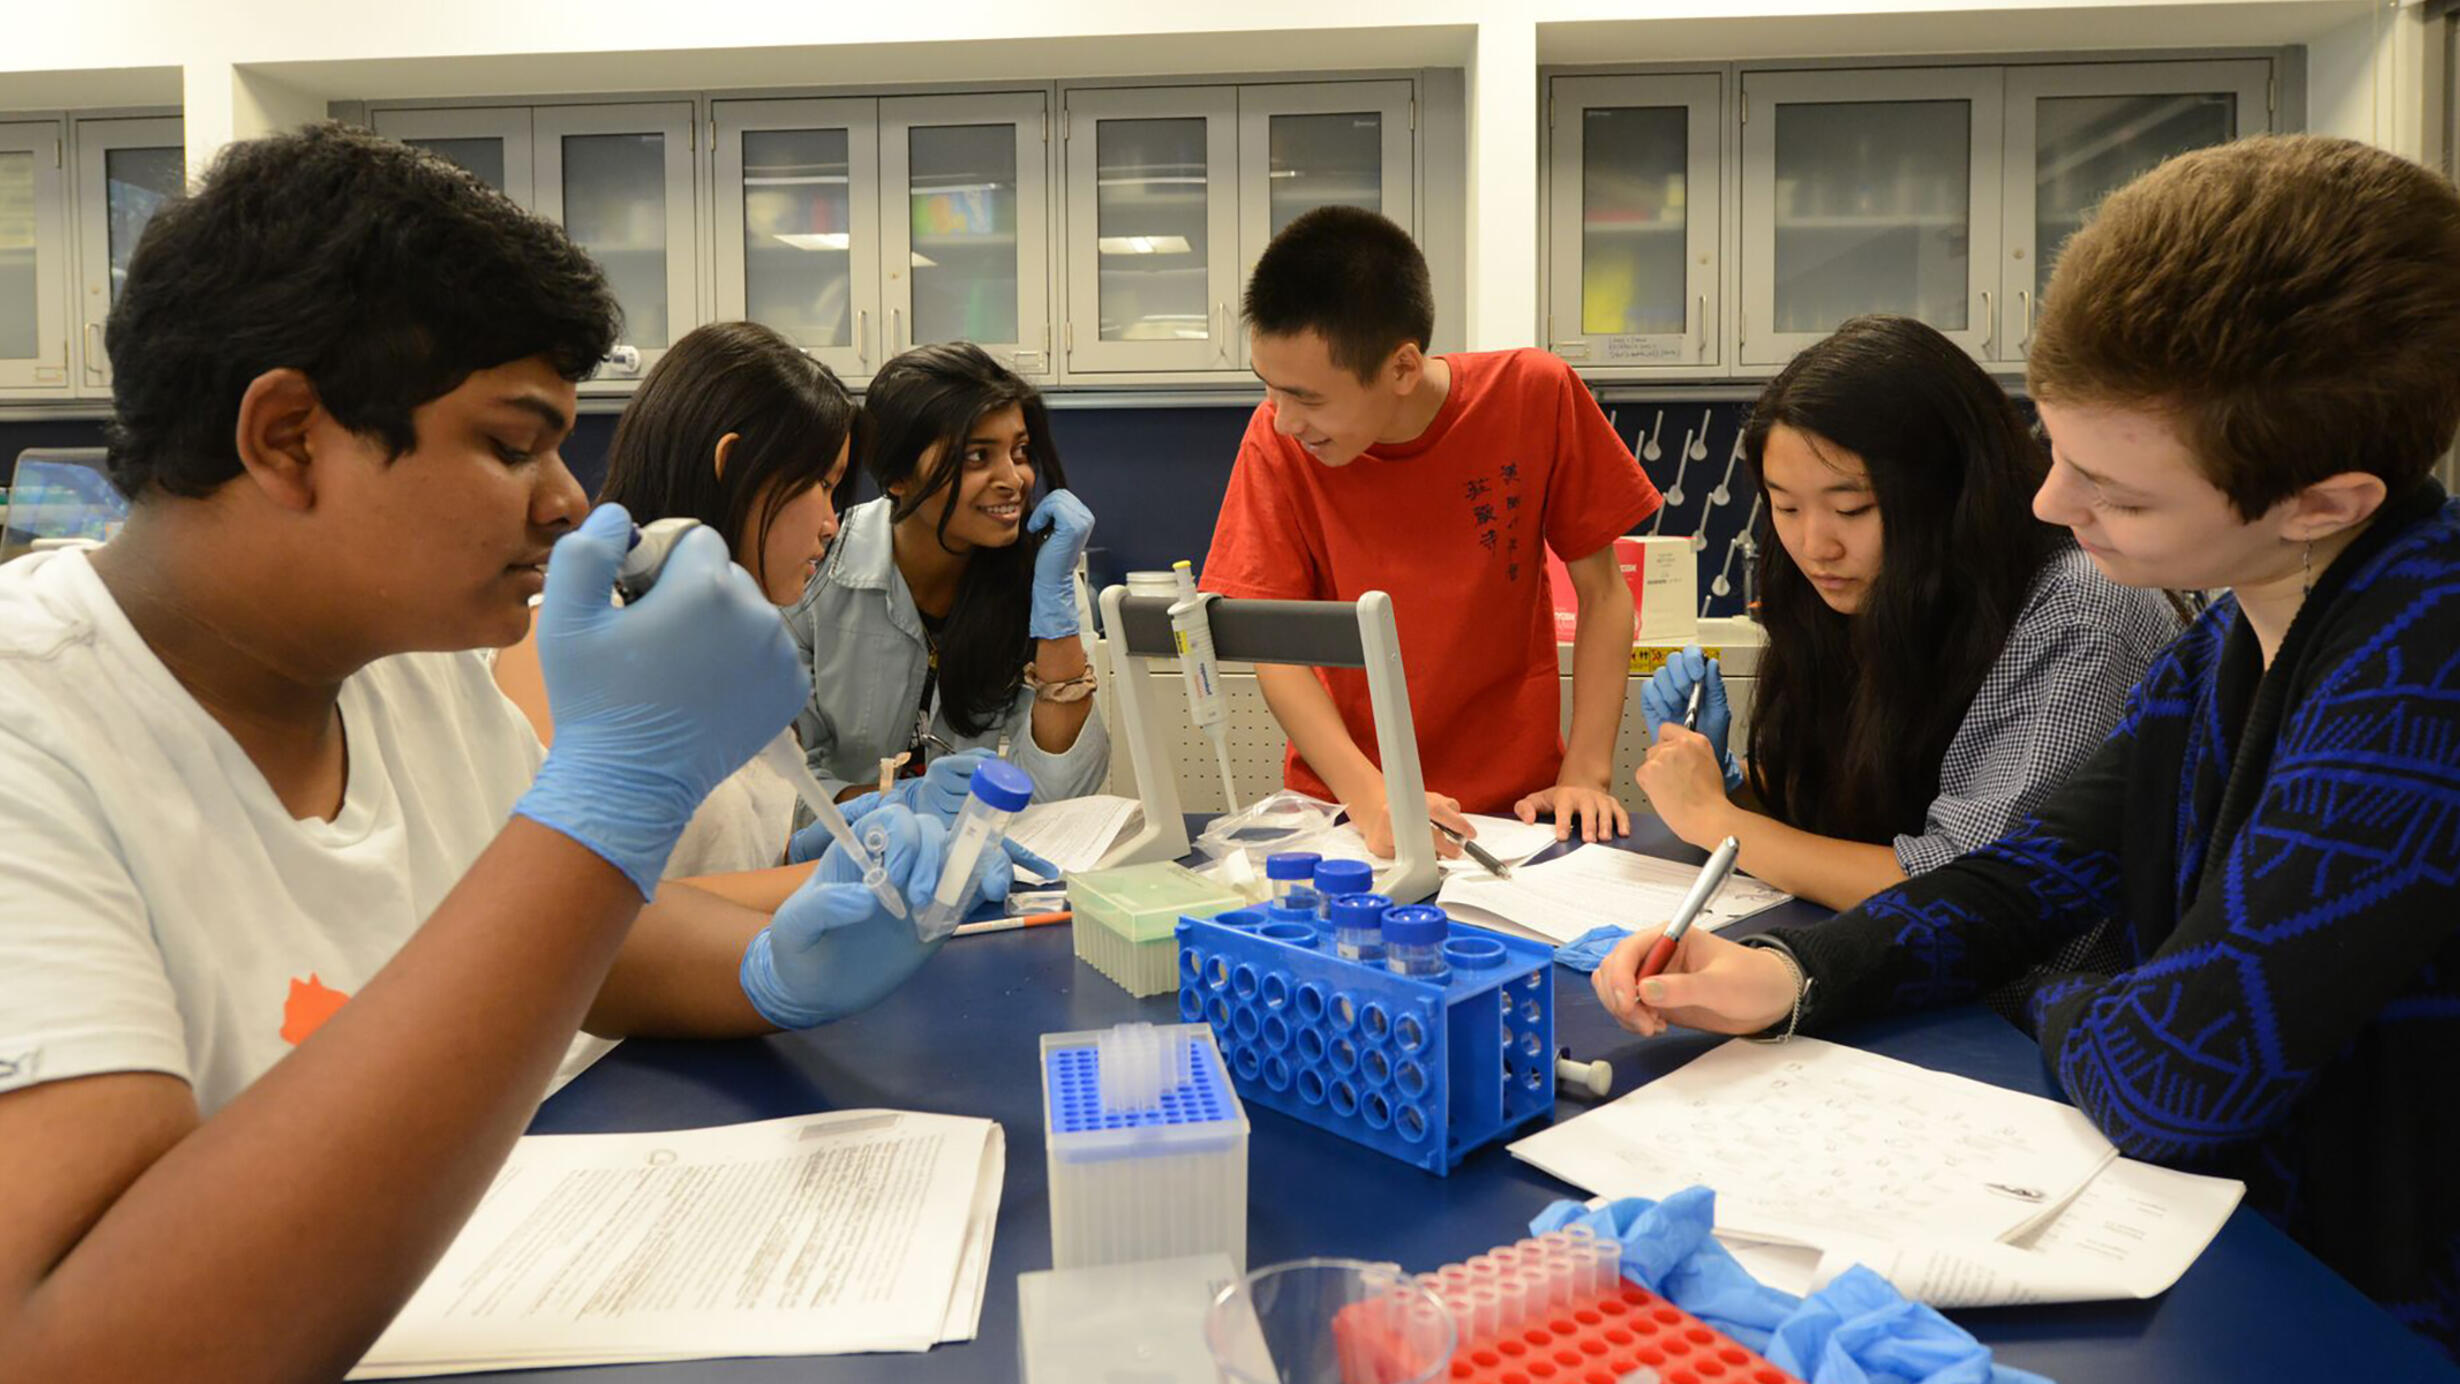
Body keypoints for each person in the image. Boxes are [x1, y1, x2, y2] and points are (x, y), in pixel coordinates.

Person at [0, 124, 1006, 1378]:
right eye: (511, 442)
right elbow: (70, 1343)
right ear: (289, 437)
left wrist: (771, 965)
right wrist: (615, 792)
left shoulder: (400, 668)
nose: (569, 500)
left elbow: (562, 948)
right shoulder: (28, 731)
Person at [1593, 135, 2460, 1361]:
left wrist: (2048, 992)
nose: (2051, 506)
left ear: (2323, 503)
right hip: (2263, 1247)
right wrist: (1800, 977)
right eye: (2058, 454)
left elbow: (2176, 1076)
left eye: (2118, 490)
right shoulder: (2231, 632)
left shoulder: (2423, 671)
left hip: (2371, 1306)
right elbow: (2029, 871)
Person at [1633, 315, 2178, 913]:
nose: (1816, 546)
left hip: (2029, 998)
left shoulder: (2078, 608)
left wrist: (1713, 819)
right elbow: (1859, 816)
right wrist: (1735, 785)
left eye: (1854, 508)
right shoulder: (1876, 589)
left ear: (1952, 491)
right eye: (1785, 507)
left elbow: (1964, 887)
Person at [1201, 206, 1662, 858]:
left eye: (1307, 398)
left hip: (1514, 815)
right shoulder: (1276, 447)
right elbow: (1278, 650)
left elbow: (1605, 593)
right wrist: (1372, 797)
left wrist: (1585, 772)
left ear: (1402, 369)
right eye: (1269, 390)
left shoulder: (1533, 394)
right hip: (1349, 815)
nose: (1282, 421)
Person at [495, 319, 863, 893]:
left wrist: (820, 845)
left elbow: (721, 848)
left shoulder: (726, 642)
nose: (830, 524)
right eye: (821, 482)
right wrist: (833, 878)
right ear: (733, 463)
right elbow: (575, 904)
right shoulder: (573, 637)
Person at [787, 340, 1107, 810]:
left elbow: (1059, 796)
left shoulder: (1042, 581)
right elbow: (783, 788)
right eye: (977, 456)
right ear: (897, 476)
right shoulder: (815, 574)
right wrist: (898, 805)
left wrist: (1055, 610)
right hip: (836, 865)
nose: (1014, 478)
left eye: (1019, 452)